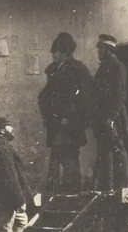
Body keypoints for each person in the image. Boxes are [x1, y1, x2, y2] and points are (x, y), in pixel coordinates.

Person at [38, 31, 92, 196]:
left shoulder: (75, 70)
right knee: (57, 157)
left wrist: (68, 118)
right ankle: (56, 195)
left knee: (68, 158)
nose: (53, 54)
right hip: (57, 123)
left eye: (56, 51)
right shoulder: (56, 70)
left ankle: (71, 195)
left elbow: (80, 98)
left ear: (65, 52)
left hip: (68, 124)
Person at [89, 33, 128, 192]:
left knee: (117, 149)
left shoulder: (117, 66)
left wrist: (112, 117)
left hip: (114, 117)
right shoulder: (103, 68)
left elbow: (120, 94)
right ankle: (108, 187)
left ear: (108, 49)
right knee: (105, 151)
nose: (98, 51)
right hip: (102, 117)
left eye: (100, 48)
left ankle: (124, 186)